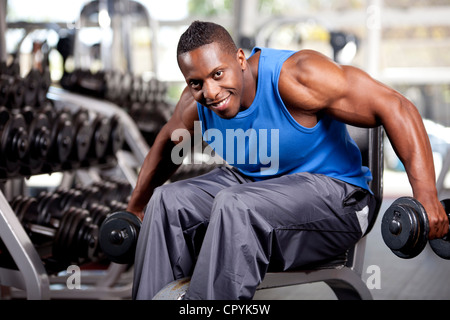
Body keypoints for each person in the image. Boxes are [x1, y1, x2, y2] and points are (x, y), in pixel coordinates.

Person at [127, 21, 448, 300]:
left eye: (217, 74)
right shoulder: (194, 105)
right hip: (255, 188)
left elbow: (396, 107)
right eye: (197, 83)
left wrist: (427, 198)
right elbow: (168, 145)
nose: (210, 91)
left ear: (240, 58)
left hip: (339, 198)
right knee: (166, 202)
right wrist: (136, 207)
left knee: (235, 205)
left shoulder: (297, 76)